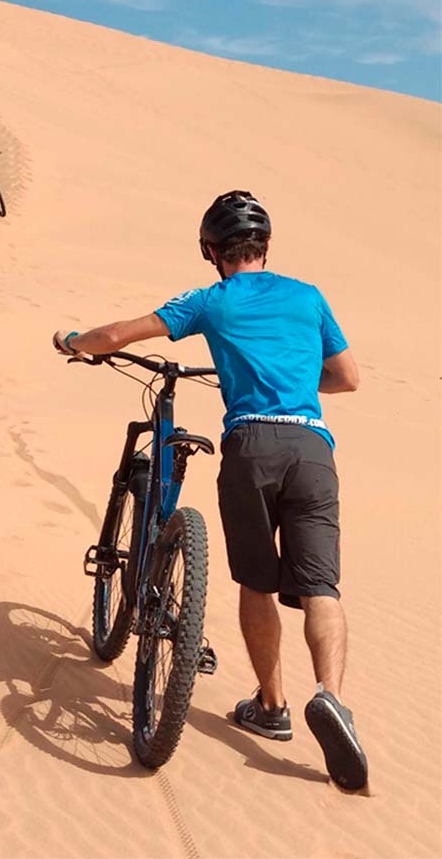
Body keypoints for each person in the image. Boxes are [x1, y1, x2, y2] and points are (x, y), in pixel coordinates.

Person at [52, 190, 368, 791]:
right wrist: (296, 378)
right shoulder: (308, 297)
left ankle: (272, 708)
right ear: (267, 247)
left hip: (251, 446)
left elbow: (120, 333)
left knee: (257, 580)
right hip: (313, 448)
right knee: (321, 586)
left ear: (211, 251)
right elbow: (348, 378)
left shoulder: (210, 301)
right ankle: (332, 699)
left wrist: (74, 341)